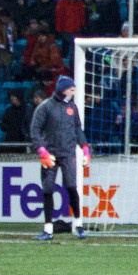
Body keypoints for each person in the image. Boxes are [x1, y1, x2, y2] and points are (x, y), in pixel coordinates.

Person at [29, 76, 89, 242]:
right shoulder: (46, 107)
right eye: (71, 89)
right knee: (48, 190)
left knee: (71, 187)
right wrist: (42, 150)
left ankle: (78, 225)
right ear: (63, 89)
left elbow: (78, 129)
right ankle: (48, 229)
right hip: (50, 155)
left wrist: (85, 148)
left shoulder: (72, 107)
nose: (74, 92)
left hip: (68, 153)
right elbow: (35, 130)